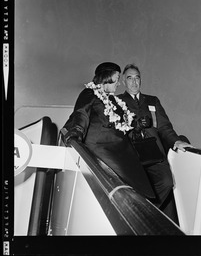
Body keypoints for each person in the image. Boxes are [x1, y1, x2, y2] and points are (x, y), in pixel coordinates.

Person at [61, 62, 155, 199]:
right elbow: (81, 114)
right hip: (103, 148)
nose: (118, 84)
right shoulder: (90, 93)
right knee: (129, 189)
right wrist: (76, 132)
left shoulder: (114, 100)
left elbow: (124, 123)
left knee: (139, 189)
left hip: (120, 148)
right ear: (106, 78)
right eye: (117, 80)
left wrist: (138, 124)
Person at [118, 63, 194, 224]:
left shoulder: (152, 101)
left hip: (155, 153)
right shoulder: (117, 101)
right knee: (137, 189)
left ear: (141, 80)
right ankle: (141, 218)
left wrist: (176, 141)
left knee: (167, 182)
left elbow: (165, 127)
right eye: (129, 78)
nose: (134, 82)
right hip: (132, 156)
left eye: (137, 78)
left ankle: (144, 215)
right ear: (124, 81)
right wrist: (134, 126)